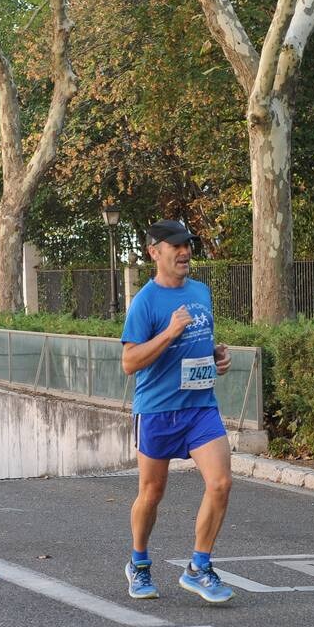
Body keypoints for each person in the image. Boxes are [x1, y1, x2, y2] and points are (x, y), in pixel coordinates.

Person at [120, 219, 234, 604]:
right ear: (155, 252)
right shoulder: (145, 302)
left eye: (187, 245)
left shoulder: (201, 292)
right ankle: (138, 563)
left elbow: (205, 342)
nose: (185, 252)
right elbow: (129, 362)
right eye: (176, 246)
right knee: (152, 493)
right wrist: (167, 334)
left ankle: (199, 567)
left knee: (220, 483)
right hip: (157, 411)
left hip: (200, 408)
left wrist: (218, 357)